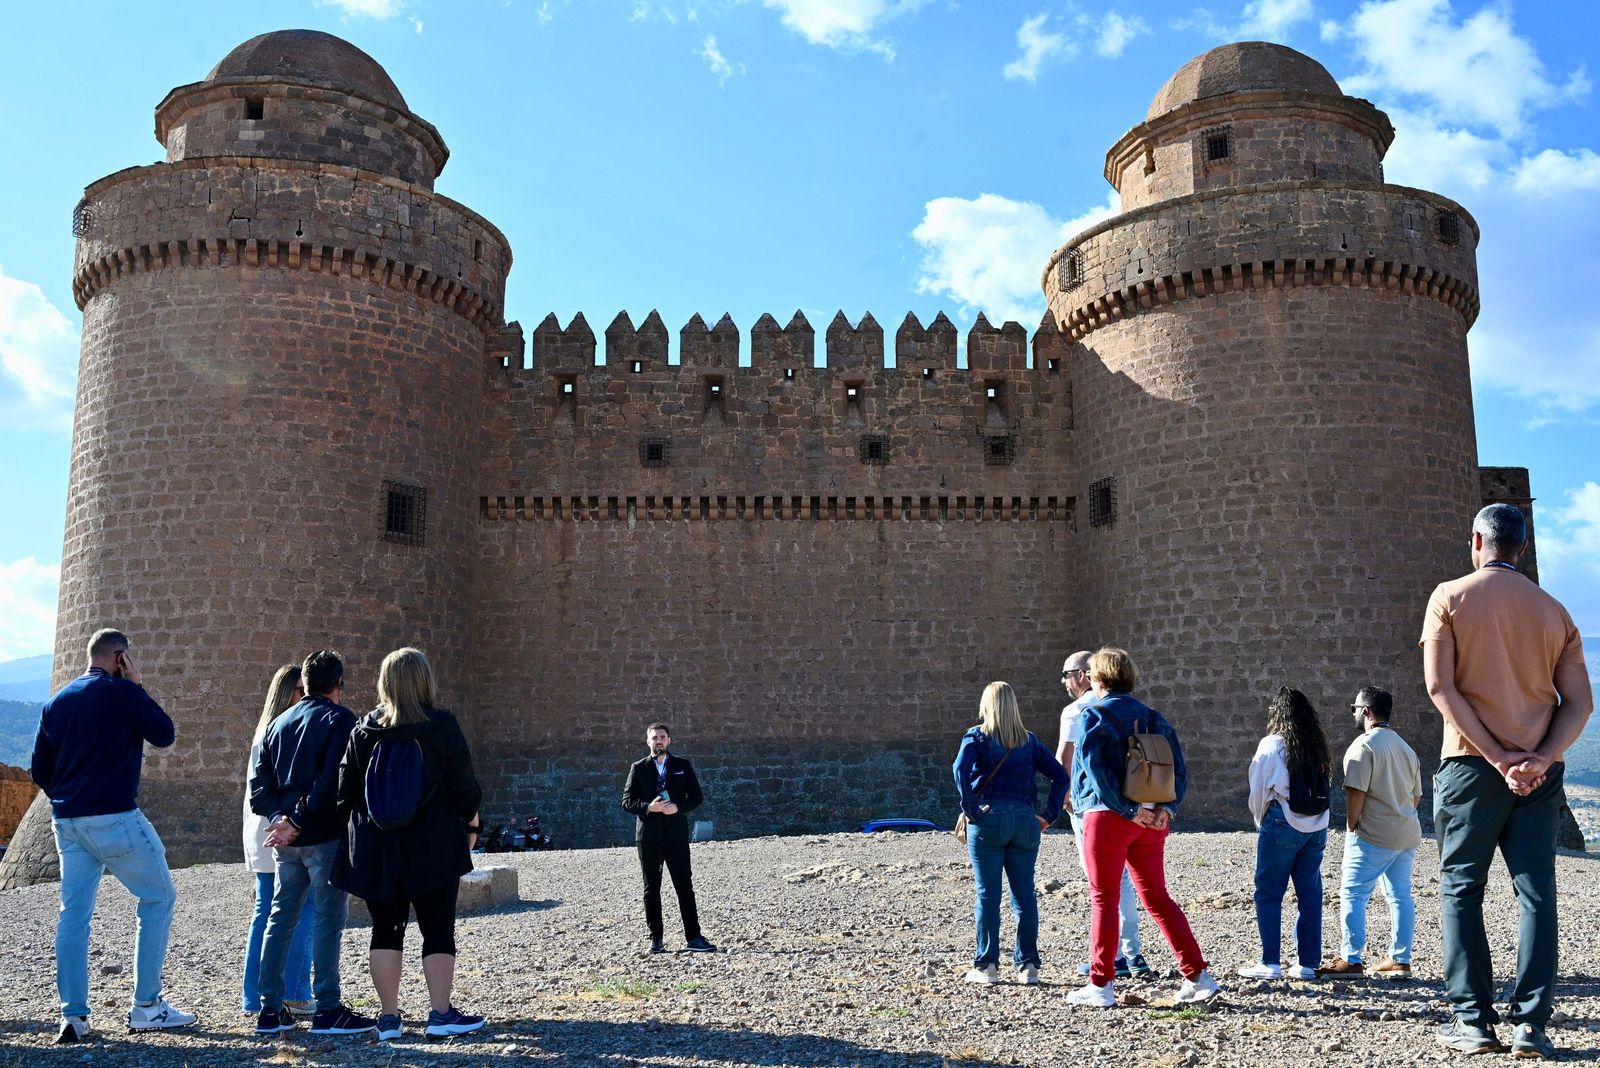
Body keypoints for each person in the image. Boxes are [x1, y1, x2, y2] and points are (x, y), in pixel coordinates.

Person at [1422, 503, 1592, 1059]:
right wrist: (1539, 759)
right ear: (1522, 547)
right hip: (1541, 777)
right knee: (1537, 893)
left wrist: (1496, 757)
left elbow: (1441, 690)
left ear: (1477, 540)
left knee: (1461, 890)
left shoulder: (1449, 597)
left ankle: (1473, 1022)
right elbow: (1581, 703)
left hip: (1471, 768)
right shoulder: (1556, 611)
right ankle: (1530, 1027)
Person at [29, 628, 197, 1044]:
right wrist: (138, 687)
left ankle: (74, 1016)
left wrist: (70, 797)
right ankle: (146, 1005)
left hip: (66, 820)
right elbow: (164, 733)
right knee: (158, 897)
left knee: (74, 915)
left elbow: (39, 771)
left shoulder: (56, 702)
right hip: (115, 816)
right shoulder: (123, 693)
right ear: (121, 658)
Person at [333, 648, 486, 1041]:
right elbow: (464, 784)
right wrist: (471, 823)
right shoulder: (441, 725)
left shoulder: (364, 729)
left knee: (385, 930)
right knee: (438, 929)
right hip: (432, 843)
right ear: (424, 680)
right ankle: (440, 1014)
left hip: (377, 849)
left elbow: (345, 791)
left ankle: (388, 1019)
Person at [1066, 647, 1220, 1007]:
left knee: (1104, 898)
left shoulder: (1093, 715)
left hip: (1109, 817)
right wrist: (1168, 808)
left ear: (1096, 679)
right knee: (1158, 898)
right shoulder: (1155, 717)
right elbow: (1178, 769)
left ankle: (1101, 985)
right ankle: (1198, 976)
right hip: (1153, 820)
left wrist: (1126, 808)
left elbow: (1093, 770)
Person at [248, 650, 374, 1037]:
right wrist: (298, 821)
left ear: (303, 683)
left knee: (280, 918)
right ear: (340, 684)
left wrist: (280, 821)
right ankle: (329, 1007)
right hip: (323, 836)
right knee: (328, 919)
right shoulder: (342, 720)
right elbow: (331, 781)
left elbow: (260, 788)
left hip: (285, 840)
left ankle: (270, 1009)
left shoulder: (277, 723)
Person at [954, 681, 1068, 985]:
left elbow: (959, 771)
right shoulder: (1029, 742)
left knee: (988, 893)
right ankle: (1028, 966)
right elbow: (1060, 776)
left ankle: (987, 966)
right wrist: (1049, 814)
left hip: (990, 819)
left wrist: (972, 809)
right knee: (1024, 894)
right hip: (1025, 820)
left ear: (986, 705)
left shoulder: (977, 737)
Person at [1316, 687, 1421, 980]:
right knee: (1400, 895)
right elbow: (1416, 797)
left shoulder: (1363, 747)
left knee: (1353, 893)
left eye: (1355, 707)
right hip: (1406, 832)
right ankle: (1400, 958)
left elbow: (1355, 792)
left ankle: (1351, 958)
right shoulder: (1406, 748)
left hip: (1373, 833)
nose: (1352, 712)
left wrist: (1352, 825)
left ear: (1367, 711)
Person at [1056, 650, 1147, 980]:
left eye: (1067, 674)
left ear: (1084, 674)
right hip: (1135, 799)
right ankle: (1132, 953)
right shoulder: (1137, 710)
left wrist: (1063, 798)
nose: (1065, 681)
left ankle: (1119, 958)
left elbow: (1065, 761)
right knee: (1131, 882)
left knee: (1104, 884)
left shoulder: (1077, 711)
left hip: (1093, 805)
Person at [1239, 687, 1331, 982]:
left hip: (1282, 821)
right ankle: (1307, 963)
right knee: (1310, 893)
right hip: (1317, 825)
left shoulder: (1273, 744)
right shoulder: (1316, 745)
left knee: (1268, 892)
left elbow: (1258, 787)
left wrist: (1260, 818)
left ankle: (1270, 962)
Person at [241, 664, 315, 1015]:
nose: (306, 697)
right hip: (279, 834)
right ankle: (296, 992)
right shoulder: (280, 733)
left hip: (265, 834)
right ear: (289, 693)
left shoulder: (265, 732)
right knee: (302, 911)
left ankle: (256, 996)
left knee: (267, 914)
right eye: (301, 690)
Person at [622, 723, 717, 953]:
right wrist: (649, 807)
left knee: (684, 886)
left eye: (662, 737)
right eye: (654, 738)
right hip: (648, 838)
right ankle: (656, 939)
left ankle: (694, 937)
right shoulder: (639, 768)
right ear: (648, 742)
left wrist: (678, 806)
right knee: (651, 888)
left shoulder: (682, 766)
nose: (659, 741)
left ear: (669, 740)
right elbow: (627, 802)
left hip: (676, 835)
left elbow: (697, 797)